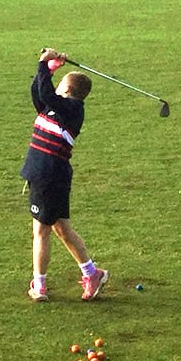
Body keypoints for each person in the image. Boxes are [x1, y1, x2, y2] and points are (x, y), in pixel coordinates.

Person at [20, 48, 107, 302]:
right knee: (61, 229)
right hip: (46, 174)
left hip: (49, 176)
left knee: (41, 231)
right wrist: (48, 70)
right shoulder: (53, 107)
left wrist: (42, 63)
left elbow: (47, 93)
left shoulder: (72, 109)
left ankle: (39, 285)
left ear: (67, 90)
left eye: (60, 83)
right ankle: (92, 273)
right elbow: (39, 93)